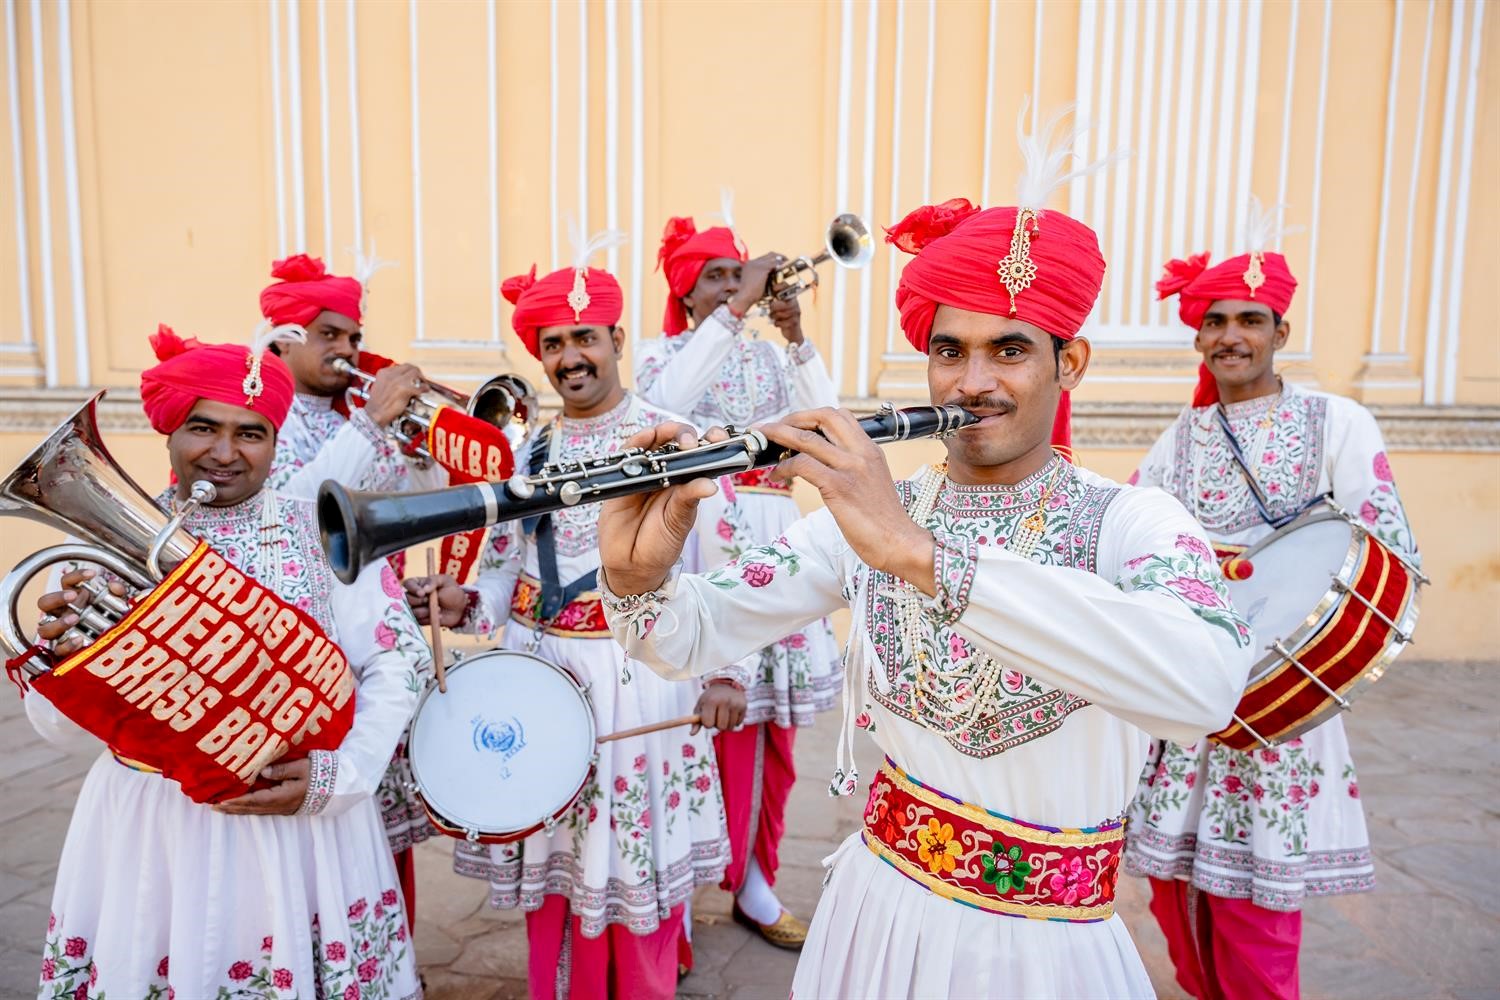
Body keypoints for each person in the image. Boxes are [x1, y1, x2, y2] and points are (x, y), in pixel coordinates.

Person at [594, 116, 1254, 998]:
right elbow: (684, 638)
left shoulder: (1132, 522)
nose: (973, 382)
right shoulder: (869, 520)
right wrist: (640, 578)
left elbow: (1206, 686)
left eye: (1009, 349)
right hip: (875, 923)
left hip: (1044, 956)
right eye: (950, 351)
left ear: (1073, 362)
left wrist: (922, 556)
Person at [26, 326, 428, 998]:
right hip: (154, 823)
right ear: (169, 433)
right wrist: (65, 661)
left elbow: (398, 665)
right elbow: (61, 730)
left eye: (251, 433)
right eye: (202, 428)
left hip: (302, 818)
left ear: (275, 442)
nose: (223, 453)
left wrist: (342, 776)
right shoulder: (99, 547)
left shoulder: (324, 529)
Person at [404, 245, 730, 1000]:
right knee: (554, 855)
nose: (571, 356)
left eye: (586, 337)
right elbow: (501, 566)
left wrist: (723, 670)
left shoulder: (675, 436)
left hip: (639, 672)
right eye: (553, 344)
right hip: (538, 672)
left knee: (633, 862)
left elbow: (723, 560)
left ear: (618, 341)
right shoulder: (527, 448)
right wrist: (467, 604)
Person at [1123, 214, 1420, 1000]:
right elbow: (1126, 540)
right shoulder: (1177, 441)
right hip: (1193, 692)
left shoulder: (1338, 422)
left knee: (1254, 905)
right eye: (1214, 321)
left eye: (1249, 320)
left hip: (1282, 703)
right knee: (1175, 894)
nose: (1231, 336)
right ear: (1197, 340)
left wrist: (1297, 625)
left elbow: (1391, 550)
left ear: (1280, 331)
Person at [633, 209, 843, 946]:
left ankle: (755, 879)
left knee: (772, 737)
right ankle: (684, 890)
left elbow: (831, 417)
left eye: (738, 273)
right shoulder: (662, 355)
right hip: (699, 550)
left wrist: (794, 336)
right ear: (688, 296)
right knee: (699, 734)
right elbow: (666, 407)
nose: (735, 287)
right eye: (716, 279)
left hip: (779, 542)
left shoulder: (764, 355)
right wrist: (735, 310)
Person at [257, 251, 444, 929]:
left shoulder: (358, 411)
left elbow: (424, 498)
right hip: (307, 637)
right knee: (323, 816)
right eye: (329, 333)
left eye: (354, 337)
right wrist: (369, 423)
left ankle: (386, 953)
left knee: (382, 809)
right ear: (283, 336)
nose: (347, 349)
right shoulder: (259, 415)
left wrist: (423, 440)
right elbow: (289, 512)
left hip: (377, 634)